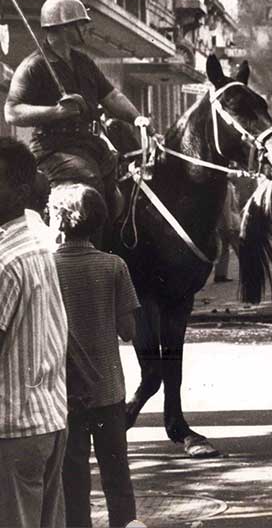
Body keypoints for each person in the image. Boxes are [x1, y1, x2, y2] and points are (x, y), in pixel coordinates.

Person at [4, 0, 151, 225]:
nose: (85, 27)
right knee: (88, 184)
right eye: (80, 23)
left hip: (90, 144)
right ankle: (86, 252)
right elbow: (12, 112)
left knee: (126, 182)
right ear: (64, 26)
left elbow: (112, 96)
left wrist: (137, 118)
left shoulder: (84, 62)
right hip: (54, 148)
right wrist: (56, 112)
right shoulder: (34, 65)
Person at [49, 183, 140, 528]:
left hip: (65, 394)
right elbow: (128, 331)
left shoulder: (46, 268)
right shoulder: (114, 266)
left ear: (57, 221)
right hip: (109, 393)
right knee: (117, 477)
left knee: (73, 482)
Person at [0, 137, 68, 528]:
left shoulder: (7, 262)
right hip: (49, 418)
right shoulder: (41, 238)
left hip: (13, 426)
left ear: (22, 190)